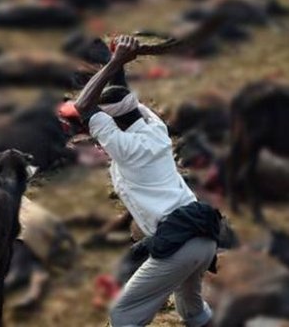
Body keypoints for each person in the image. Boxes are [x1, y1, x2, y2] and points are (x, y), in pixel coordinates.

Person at [73, 35, 221, 327]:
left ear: (111, 124)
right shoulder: (156, 128)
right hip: (205, 238)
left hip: (180, 243)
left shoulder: (125, 148)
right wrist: (121, 60)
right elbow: (126, 100)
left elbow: (82, 106)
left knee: (122, 315)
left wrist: (116, 61)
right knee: (192, 310)